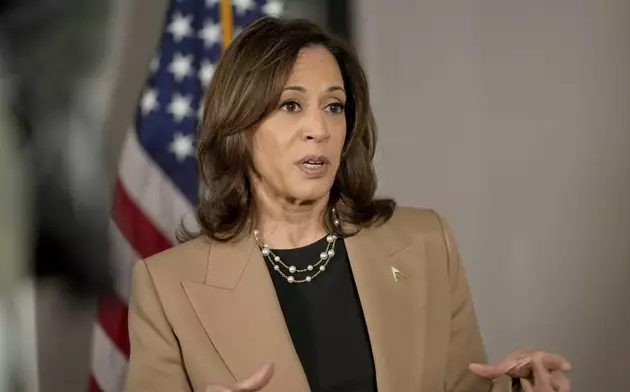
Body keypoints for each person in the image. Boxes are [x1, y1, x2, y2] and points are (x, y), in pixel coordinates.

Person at [125, 17, 571, 392]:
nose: (318, 128)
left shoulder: (425, 242)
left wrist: (520, 388)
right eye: (291, 105)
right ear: (239, 126)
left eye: (334, 106)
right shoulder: (167, 287)